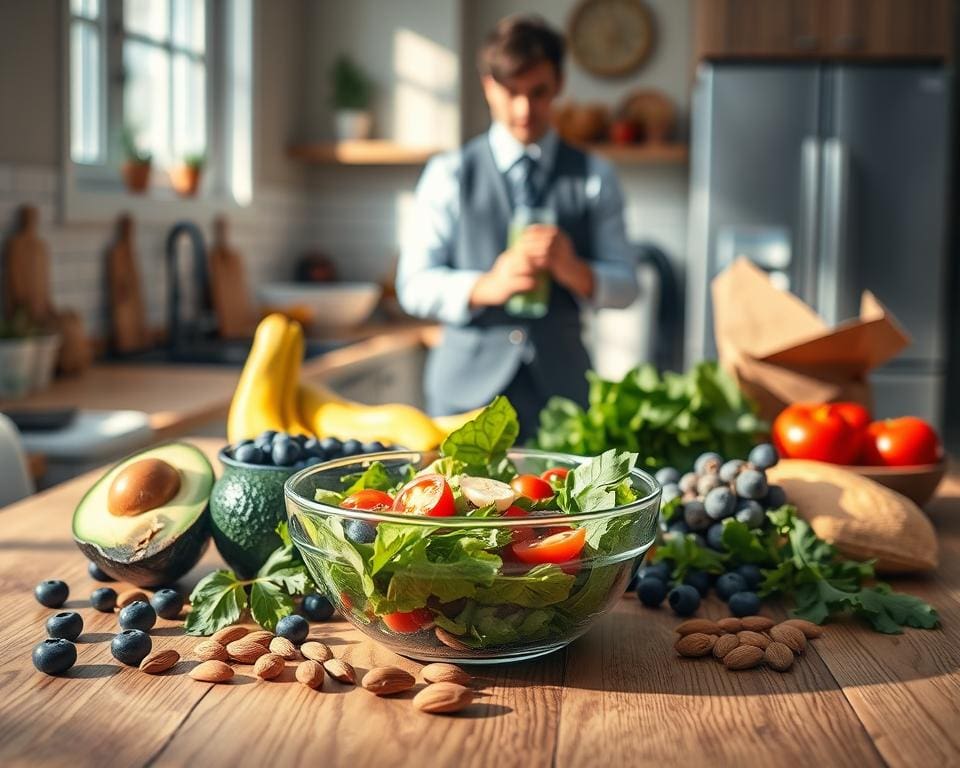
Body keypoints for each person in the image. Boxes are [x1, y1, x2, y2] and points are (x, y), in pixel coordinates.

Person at [397, 14, 638, 439]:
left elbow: (627, 285)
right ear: (489, 85)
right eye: (511, 92)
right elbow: (413, 285)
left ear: (560, 83)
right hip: (462, 401)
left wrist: (575, 271)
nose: (525, 109)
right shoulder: (449, 173)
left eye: (539, 92)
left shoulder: (596, 176)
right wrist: (488, 284)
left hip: (564, 402)